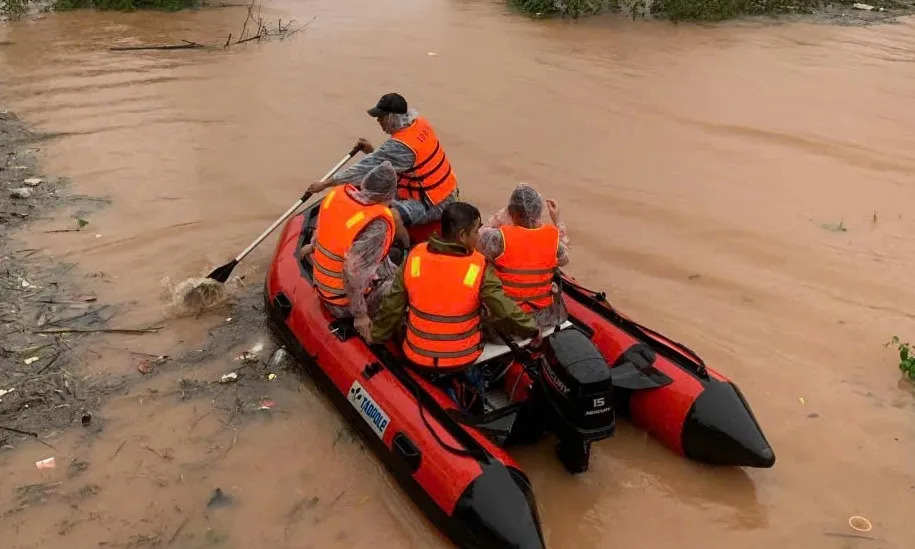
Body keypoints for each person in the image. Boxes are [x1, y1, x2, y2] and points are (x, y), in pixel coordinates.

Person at [370, 202, 539, 377]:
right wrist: (532, 330)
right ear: (462, 235)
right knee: (486, 311)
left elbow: (392, 307)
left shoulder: (415, 256)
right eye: (476, 231)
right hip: (462, 358)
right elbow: (504, 309)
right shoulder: (478, 265)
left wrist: (376, 338)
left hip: (417, 355)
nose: (478, 236)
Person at [306, 93, 459, 244]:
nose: (378, 120)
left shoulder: (401, 145)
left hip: (433, 203)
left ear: (393, 117)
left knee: (390, 215)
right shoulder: (419, 124)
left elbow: (362, 169)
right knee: (376, 188)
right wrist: (373, 152)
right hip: (442, 189)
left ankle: (404, 247)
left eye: (382, 117)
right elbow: (400, 160)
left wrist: (325, 184)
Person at [300, 161, 401, 340]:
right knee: (403, 286)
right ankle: (386, 335)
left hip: (324, 284)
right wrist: (360, 314)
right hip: (342, 302)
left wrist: (313, 246)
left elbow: (323, 229)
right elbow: (352, 272)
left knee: (391, 258)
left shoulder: (336, 196)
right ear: (389, 195)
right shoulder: (377, 225)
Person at [477, 183, 571, 330]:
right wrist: (557, 221)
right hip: (544, 316)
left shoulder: (498, 238)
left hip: (509, 317)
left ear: (511, 212)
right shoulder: (553, 237)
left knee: (480, 266)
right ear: (538, 212)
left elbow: (477, 239)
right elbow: (565, 258)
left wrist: (502, 216)